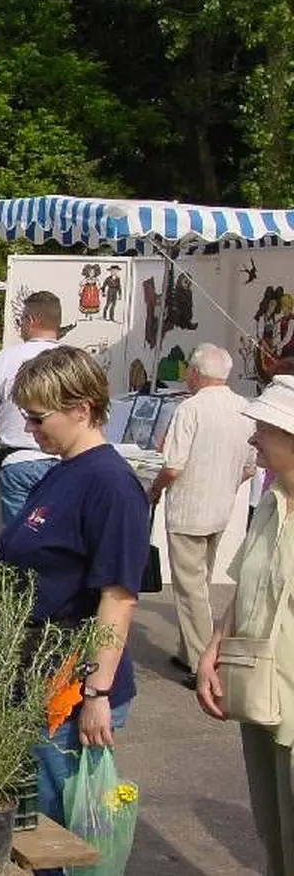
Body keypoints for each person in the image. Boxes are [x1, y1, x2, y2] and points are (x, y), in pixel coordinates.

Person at [0, 346, 148, 870]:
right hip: (33, 670)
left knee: (58, 832)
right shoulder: (65, 468)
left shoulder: (110, 484)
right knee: (33, 823)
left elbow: (118, 596)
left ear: (81, 408)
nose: (30, 429)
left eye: (39, 418)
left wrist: (97, 693)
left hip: (69, 684)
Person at [196, 375, 294, 876]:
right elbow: (242, 583)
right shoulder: (273, 501)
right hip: (260, 690)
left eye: (264, 428)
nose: (253, 438)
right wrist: (214, 648)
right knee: (274, 830)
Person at [149, 343, 256, 687]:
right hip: (220, 506)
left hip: (188, 508)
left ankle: (200, 661)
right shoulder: (244, 407)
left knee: (190, 587)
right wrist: (225, 483)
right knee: (199, 582)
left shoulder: (190, 408)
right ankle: (187, 648)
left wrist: (155, 489)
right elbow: (251, 465)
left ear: (195, 373)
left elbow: (173, 465)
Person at [0, 290, 63, 525]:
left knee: (18, 537)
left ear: (32, 320)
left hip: (18, 461)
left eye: (21, 321)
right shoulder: (73, 361)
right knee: (55, 534)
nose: (20, 327)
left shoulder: (6, 359)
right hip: (64, 462)